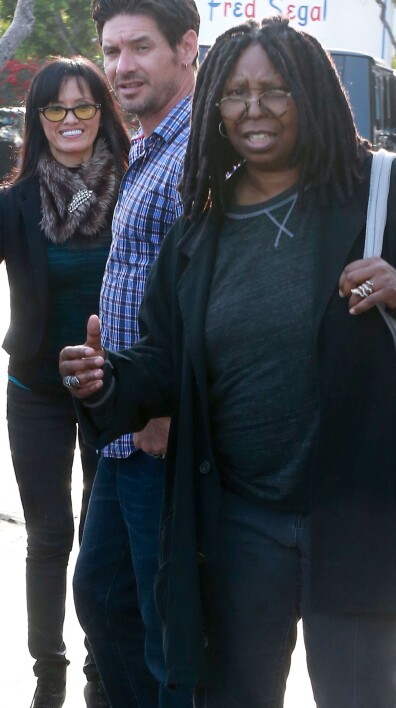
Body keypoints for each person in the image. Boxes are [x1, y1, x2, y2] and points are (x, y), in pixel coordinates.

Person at [60, 17, 396, 708]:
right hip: (237, 528)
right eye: (235, 92)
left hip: (356, 525)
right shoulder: (198, 231)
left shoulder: (382, 190)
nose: (254, 108)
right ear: (215, 107)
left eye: (276, 89)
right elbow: (162, 361)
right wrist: (107, 380)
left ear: (313, 94)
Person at [70, 0, 199, 705]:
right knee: (103, 597)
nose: (120, 67)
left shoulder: (197, 154)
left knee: (165, 630)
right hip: (123, 428)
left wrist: (165, 410)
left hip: (159, 435)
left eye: (139, 48)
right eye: (111, 50)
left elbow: (207, 303)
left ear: (186, 47)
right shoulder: (149, 144)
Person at [0, 57, 129, 708]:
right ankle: (47, 670)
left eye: (84, 107)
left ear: (103, 113)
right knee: (49, 534)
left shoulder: (135, 189)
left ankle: (102, 668)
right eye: (56, 109)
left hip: (117, 391)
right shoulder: (16, 202)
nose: (71, 121)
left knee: (106, 534)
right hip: (36, 395)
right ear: (39, 120)